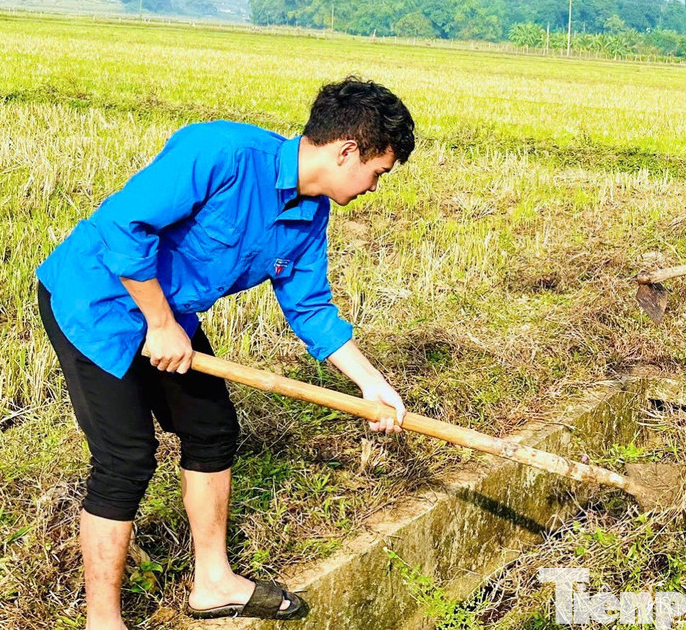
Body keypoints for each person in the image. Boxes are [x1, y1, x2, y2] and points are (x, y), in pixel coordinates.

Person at [36, 78, 416, 626]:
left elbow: (309, 309)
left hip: (166, 312)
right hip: (94, 299)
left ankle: (212, 583)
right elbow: (123, 224)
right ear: (347, 151)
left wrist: (370, 382)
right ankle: (103, 619)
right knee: (126, 458)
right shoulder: (221, 152)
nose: (374, 187)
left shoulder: (310, 216)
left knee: (211, 428)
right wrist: (161, 325)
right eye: (378, 171)